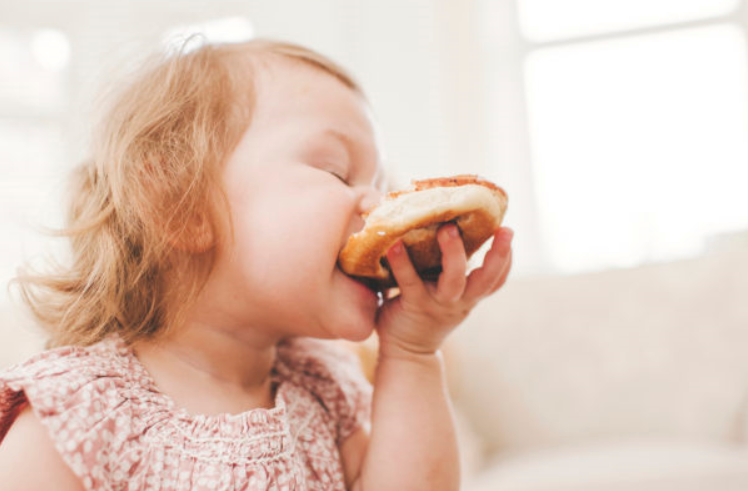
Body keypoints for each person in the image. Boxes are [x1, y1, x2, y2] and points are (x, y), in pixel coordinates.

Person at [0, 38, 513, 490]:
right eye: (337, 172)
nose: (376, 204)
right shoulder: (85, 414)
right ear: (180, 207)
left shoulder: (321, 388)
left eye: (378, 183)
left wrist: (413, 351)